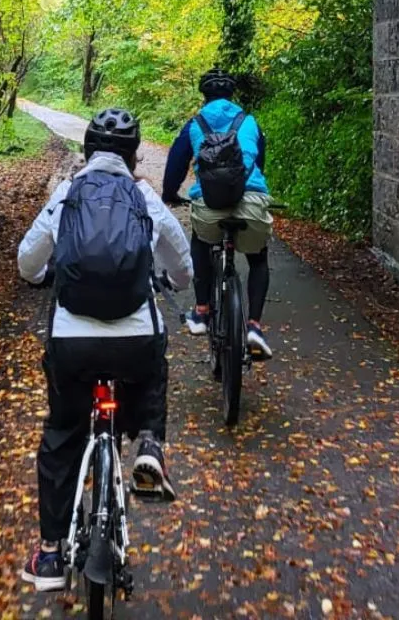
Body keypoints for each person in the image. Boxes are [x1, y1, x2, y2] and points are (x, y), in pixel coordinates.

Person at [16, 107, 193, 591]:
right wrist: (172, 281)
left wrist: (41, 276)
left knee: (62, 433)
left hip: (72, 343)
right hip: (133, 338)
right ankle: (150, 444)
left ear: (87, 150)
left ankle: (51, 556)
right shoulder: (143, 197)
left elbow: (27, 260)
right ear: (135, 155)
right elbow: (181, 264)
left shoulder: (67, 194)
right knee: (151, 365)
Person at [161, 68, 275, 360]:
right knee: (258, 257)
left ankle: (201, 312)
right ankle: (254, 326)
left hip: (210, 206)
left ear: (205, 94)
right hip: (250, 201)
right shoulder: (250, 121)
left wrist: (170, 195)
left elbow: (175, 164)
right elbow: (258, 163)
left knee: (200, 239)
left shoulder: (195, 124)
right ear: (232, 94)